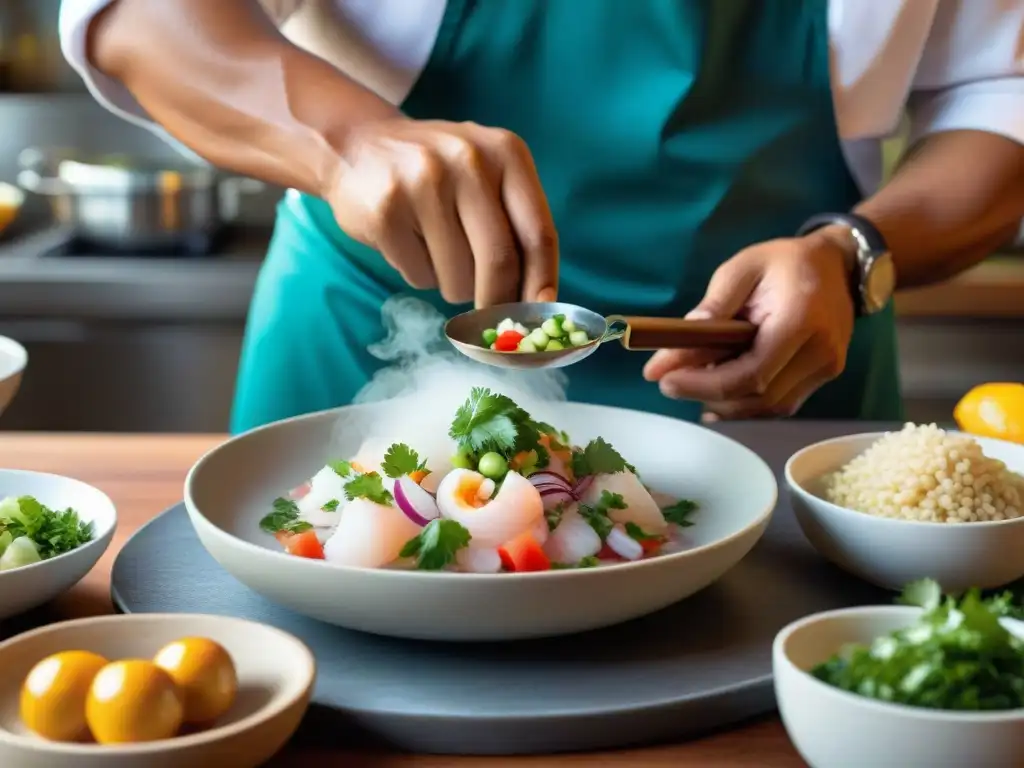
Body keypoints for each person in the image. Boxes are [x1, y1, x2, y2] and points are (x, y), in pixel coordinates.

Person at [60, 0, 1024, 433]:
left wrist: (856, 253)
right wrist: (347, 143)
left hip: (788, 367)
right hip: (362, 344)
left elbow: (1000, 92)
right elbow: (141, 13)